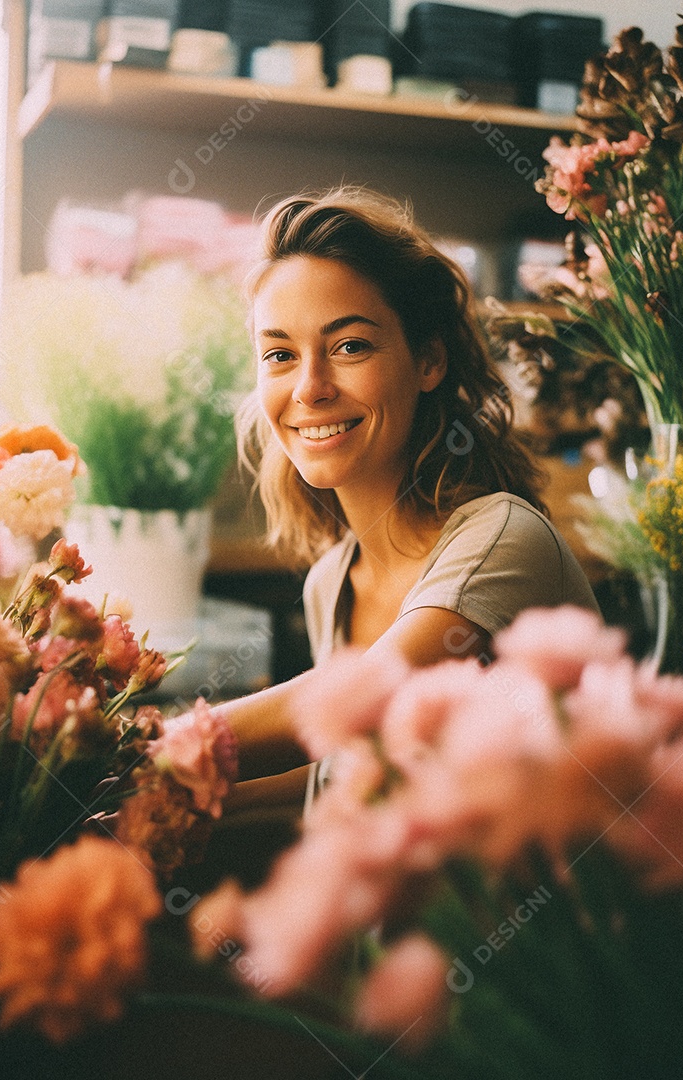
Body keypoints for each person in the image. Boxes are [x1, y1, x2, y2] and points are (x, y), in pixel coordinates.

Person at [219, 187, 599, 813]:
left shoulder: (503, 540)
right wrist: (166, 803)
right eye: (280, 354)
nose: (309, 388)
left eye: (350, 346)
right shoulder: (329, 584)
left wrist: (138, 747)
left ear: (427, 361)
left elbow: (372, 690)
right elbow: (340, 766)